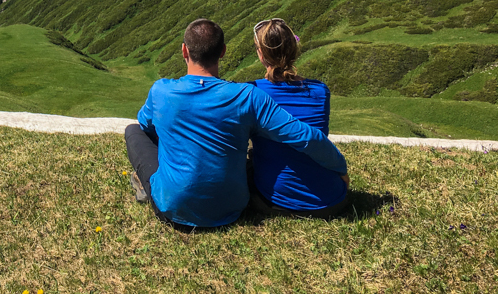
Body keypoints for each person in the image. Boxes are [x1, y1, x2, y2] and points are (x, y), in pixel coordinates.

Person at [124, 18, 348, 229]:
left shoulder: (161, 90)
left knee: (134, 131)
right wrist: (340, 168)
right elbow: (304, 135)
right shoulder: (248, 95)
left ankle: (149, 185)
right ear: (222, 52)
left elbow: (146, 126)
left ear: (184, 50)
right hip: (233, 207)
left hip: (172, 208)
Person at [248, 18, 349, 218]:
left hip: (276, 200)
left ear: (261, 54)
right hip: (332, 200)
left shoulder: (253, 92)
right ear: (294, 49)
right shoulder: (321, 91)